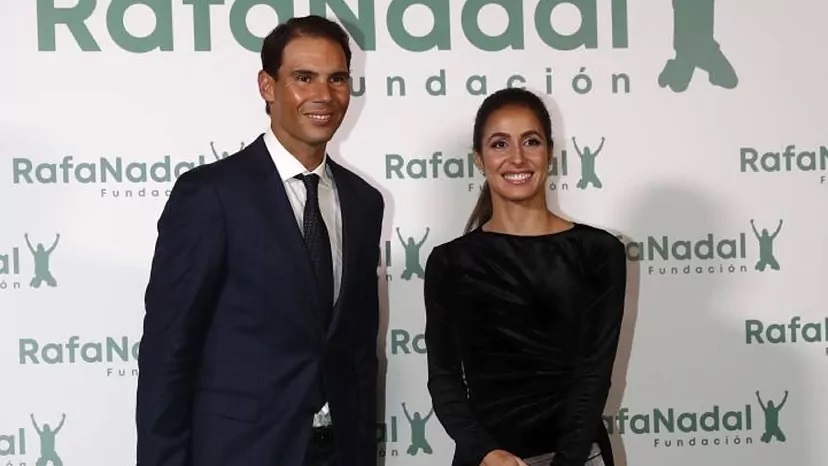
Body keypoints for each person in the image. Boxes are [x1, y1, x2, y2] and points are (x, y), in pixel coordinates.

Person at [135, 15, 384, 466]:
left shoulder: (364, 202)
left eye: (337, 79)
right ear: (267, 86)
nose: (324, 95)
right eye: (304, 78)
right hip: (240, 452)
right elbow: (168, 353)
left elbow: (359, 351)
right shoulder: (211, 195)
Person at [423, 88, 626, 466]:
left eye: (531, 141)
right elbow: (444, 378)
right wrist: (485, 453)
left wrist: (566, 461)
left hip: (580, 457)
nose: (517, 157)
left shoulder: (598, 252)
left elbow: (594, 375)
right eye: (500, 144)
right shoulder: (450, 262)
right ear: (479, 159)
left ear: (550, 152)